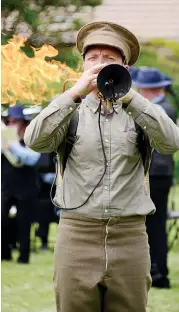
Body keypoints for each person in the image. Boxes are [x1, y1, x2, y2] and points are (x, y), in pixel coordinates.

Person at [24, 21, 179, 312]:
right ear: (82, 65)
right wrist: (73, 95)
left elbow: (171, 143)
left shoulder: (139, 112)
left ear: (125, 67)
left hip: (130, 237)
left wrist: (131, 96)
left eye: (109, 59)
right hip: (76, 234)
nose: (99, 65)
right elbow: (34, 141)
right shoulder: (69, 110)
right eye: (92, 58)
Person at [132, 67, 177, 288]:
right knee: (154, 224)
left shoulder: (158, 107)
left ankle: (158, 273)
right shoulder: (165, 105)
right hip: (161, 173)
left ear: (148, 89)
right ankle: (157, 272)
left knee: (153, 225)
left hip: (155, 173)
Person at [1, 105, 41, 263]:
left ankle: (24, 256)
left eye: (14, 121)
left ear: (23, 123)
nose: (10, 125)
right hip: (6, 187)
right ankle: (4, 253)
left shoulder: (31, 138)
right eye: (8, 121)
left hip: (27, 189)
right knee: (2, 221)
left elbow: (32, 159)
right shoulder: (6, 137)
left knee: (24, 224)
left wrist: (12, 145)